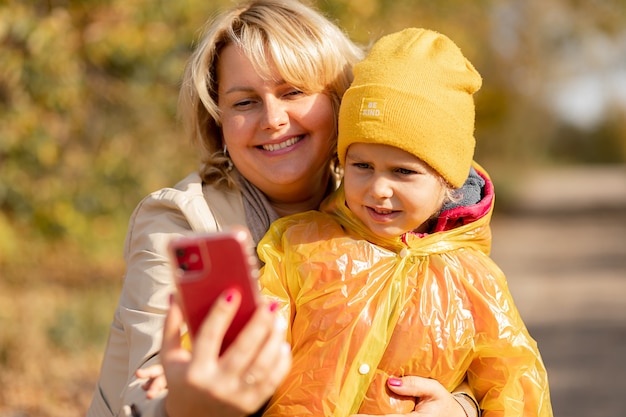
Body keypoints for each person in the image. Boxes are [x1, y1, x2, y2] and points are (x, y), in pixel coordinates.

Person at [87, 2, 478, 417]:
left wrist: (460, 406)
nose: (273, 119)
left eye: (293, 92)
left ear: (340, 104)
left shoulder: (384, 207)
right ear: (217, 120)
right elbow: (147, 384)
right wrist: (184, 405)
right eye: (244, 103)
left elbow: (466, 343)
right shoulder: (182, 223)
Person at [257, 28, 553, 417]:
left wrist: (462, 411)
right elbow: (256, 325)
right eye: (362, 166)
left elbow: (517, 386)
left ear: (447, 180)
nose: (379, 188)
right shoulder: (299, 244)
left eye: (403, 171)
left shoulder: (474, 281)